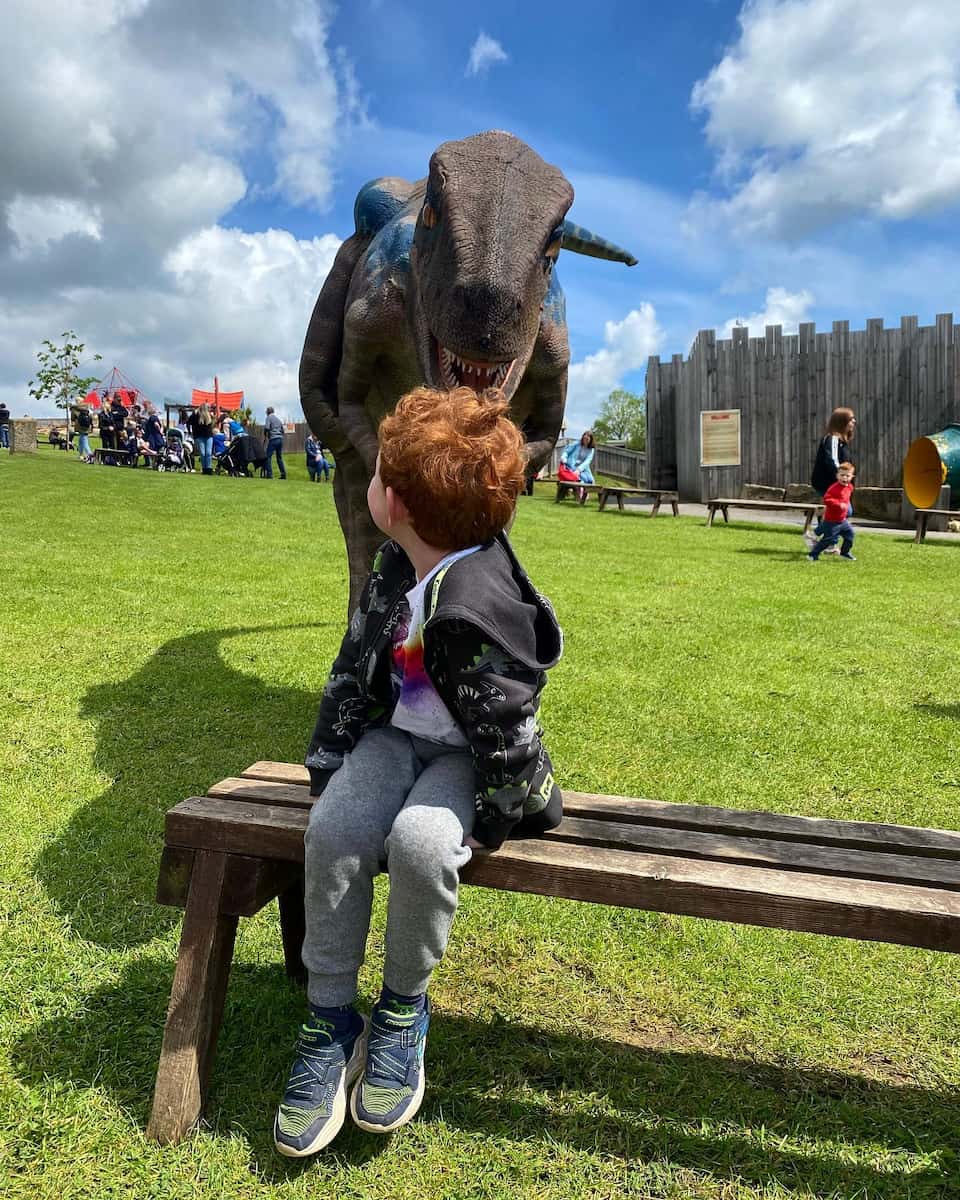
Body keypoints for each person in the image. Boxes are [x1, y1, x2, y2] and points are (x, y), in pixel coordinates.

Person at [275, 386, 563, 1157]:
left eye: (375, 473)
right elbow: (353, 664)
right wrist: (328, 762)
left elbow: (508, 728)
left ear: (393, 501)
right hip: (393, 736)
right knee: (335, 827)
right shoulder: (395, 564)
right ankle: (331, 1016)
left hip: (465, 756)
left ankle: (403, 1008)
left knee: (422, 844)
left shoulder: (476, 606)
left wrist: (503, 812)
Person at [806, 408, 856, 552]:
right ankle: (818, 531)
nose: (854, 421)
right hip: (828, 483)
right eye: (851, 419)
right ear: (842, 422)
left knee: (841, 511)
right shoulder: (832, 439)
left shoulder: (842, 442)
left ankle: (829, 543)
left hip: (838, 484)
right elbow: (832, 461)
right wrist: (842, 479)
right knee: (845, 510)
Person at [807, 462, 856, 562]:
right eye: (842, 475)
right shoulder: (833, 488)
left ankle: (845, 552)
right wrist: (838, 504)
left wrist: (846, 506)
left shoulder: (849, 487)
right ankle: (813, 555)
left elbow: (846, 497)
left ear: (852, 476)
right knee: (828, 540)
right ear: (837, 475)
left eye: (847, 475)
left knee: (850, 534)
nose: (844, 478)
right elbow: (827, 499)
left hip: (842, 520)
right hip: (832, 521)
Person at [561, 431, 596, 502]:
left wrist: (579, 469)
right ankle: (580, 495)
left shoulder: (591, 450)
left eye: (587, 438)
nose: (585, 439)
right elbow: (566, 451)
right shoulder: (576, 444)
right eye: (584, 437)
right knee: (579, 479)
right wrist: (564, 457)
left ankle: (585, 494)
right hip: (571, 466)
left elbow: (587, 461)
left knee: (590, 479)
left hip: (583, 468)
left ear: (591, 440)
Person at [188, 403, 215, 474]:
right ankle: (204, 468)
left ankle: (208, 468)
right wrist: (190, 432)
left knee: (208, 453)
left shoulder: (209, 415)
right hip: (199, 436)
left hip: (209, 436)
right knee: (203, 453)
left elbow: (213, 424)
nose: (209, 409)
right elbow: (188, 422)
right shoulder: (196, 415)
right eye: (208, 408)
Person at [263, 406, 287, 479]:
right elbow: (283, 431)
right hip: (280, 439)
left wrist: (265, 435)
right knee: (279, 457)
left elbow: (267, 428)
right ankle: (283, 474)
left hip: (273, 439)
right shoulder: (278, 420)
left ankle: (269, 475)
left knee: (268, 457)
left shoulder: (268, 418)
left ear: (268, 412)